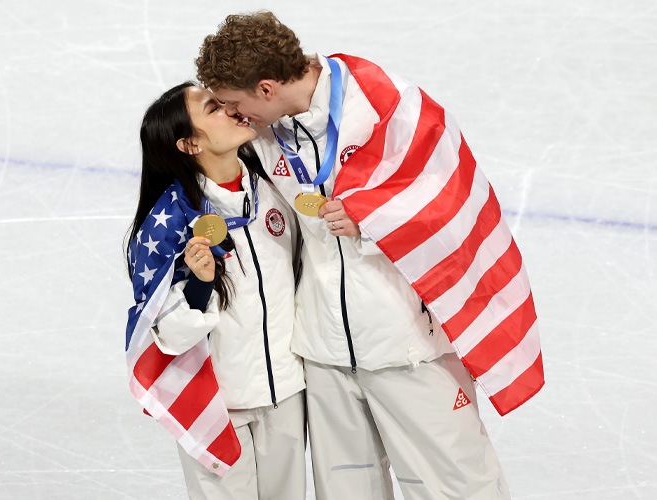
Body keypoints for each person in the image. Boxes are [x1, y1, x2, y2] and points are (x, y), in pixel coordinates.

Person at [196, 11, 544, 500]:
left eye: (236, 103)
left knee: (461, 489)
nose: (235, 116)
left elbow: (453, 199)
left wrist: (374, 218)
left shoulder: (387, 105)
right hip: (322, 351)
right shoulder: (265, 129)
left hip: (406, 347)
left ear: (268, 88)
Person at [124, 81, 306, 500]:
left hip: (287, 390)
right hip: (219, 405)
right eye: (213, 108)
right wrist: (201, 287)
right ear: (189, 144)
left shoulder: (274, 185)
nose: (229, 108)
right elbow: (166, 335)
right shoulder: (167, 225)